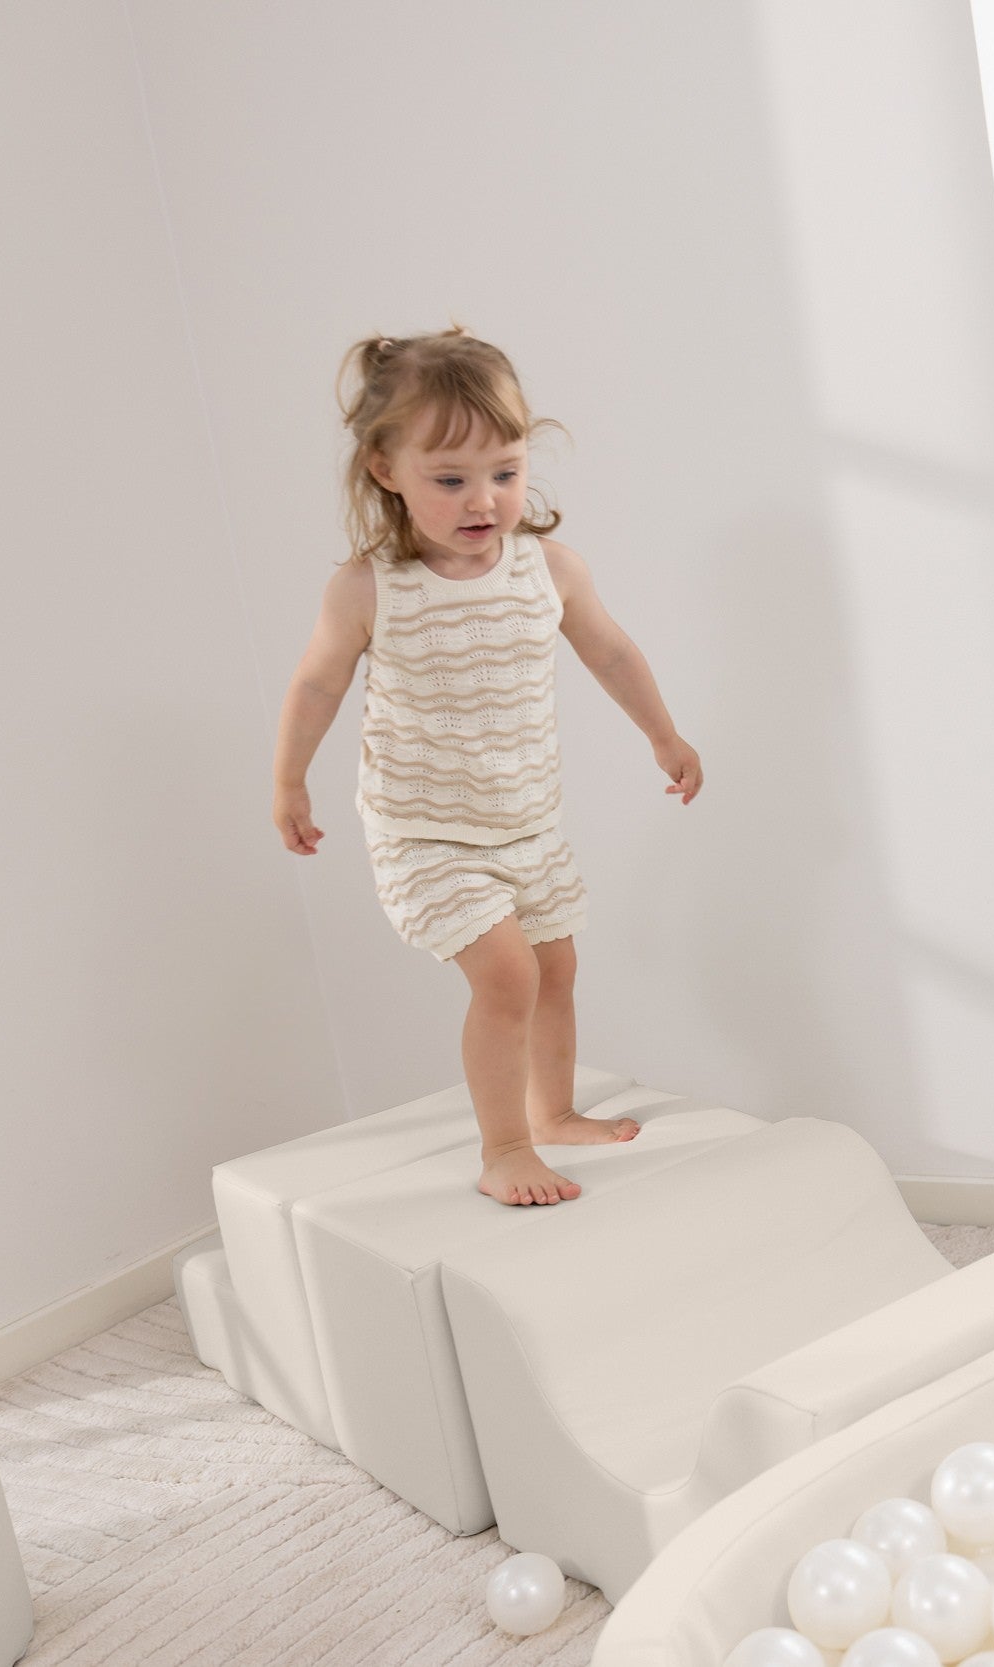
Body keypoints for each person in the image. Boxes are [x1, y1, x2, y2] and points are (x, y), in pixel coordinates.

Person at [269, 326, 702, 1206]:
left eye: (504, 472)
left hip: (527, 820)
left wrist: (663, 734)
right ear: (386, 470)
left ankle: (553, 1111)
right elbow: (317, 685)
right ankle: (504, 1148)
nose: (485, 499)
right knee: (507, 975)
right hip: (424, 830)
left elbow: (612, 654)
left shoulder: (550, 569)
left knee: (558, 970)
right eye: (451, 479)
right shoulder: (369, 588)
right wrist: (289, 780)